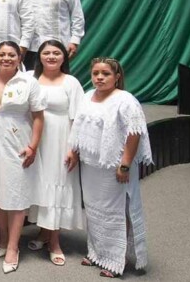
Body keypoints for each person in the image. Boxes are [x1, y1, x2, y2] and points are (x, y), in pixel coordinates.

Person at [70, 58, 152, 278]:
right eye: (95, 73)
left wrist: (125, 165)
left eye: (105, 74)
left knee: (114, 211)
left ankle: (117, 260)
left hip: (114, 166)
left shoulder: (126, 100)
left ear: (117, 77)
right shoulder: (87, 96)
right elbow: (78, 127)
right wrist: (74, 151)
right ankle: (97, 253)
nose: (99, 77)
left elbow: (134, 133)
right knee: (94, 210)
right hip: (91, 165)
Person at [0, 40, 46, 273]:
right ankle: (3, 236)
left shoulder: (29, 82)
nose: (6, 58)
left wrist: (33, 146)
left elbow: (38, 117)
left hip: (17, 141)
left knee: (16, 192)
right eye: (2, 54)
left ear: (19, 58)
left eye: (11, 55)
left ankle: (13, 247)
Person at [26, 40, 85, 265]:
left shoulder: (71, 82)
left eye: (56, 53)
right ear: (39, 56)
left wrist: (73, 148)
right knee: (40, 185)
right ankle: (44, 232)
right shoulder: (29, 78)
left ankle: (55, 242)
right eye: (47, 53)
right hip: (34, 139)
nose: (51, 56)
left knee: (57, 184)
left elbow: (78, 118)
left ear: (64, 57)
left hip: (60, 140)